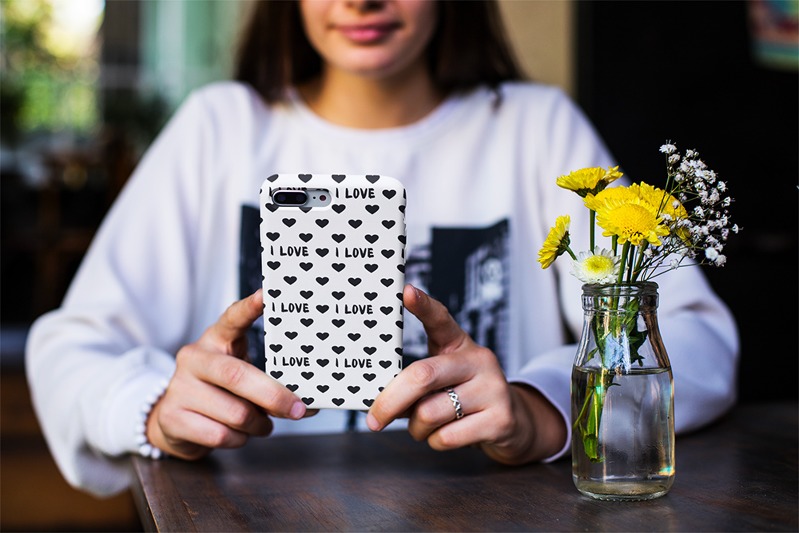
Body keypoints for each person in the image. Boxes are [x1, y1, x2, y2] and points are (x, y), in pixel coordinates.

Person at [26, 0, 739, 497]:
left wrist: (540, 405)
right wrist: (155, 409)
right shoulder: (220, 127)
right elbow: (70, 347)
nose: (361, 1)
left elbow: (694, 336)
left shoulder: (535, 126)